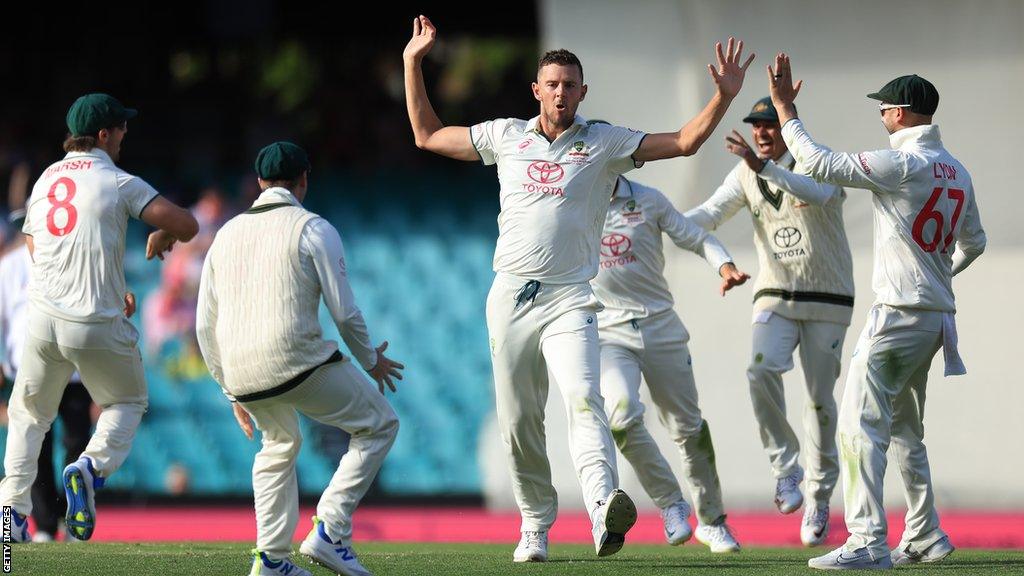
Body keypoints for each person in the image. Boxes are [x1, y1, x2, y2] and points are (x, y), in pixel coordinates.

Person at [403, 14, 754, 562]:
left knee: (586, 400)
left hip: (573, 298)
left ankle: (600, 513)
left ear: (583, 92)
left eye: (571, 85)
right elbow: (427, 135)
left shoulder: (606, 142)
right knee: (519, 420)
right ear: (536, 90)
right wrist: (412, 62)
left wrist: (723, 97)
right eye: (553, 83)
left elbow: (684, 142)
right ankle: (534, 528)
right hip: (512, 296)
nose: (561, 92)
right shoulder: (504, 136)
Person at [766, 54, 986, 569]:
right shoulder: (957, 170)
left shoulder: (903, 162)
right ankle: (925, 533)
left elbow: (819, 163)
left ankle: (866, 539)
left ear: (903, 114)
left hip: (898, 315)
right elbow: (974, 242)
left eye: (885, 108)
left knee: (857, 425)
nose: (881, 116)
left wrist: (784, 109)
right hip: (934, 319)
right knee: (906, 428)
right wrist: (938, 277)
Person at [196, 142, 404, 576]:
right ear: (304, 180)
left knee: (278, 445)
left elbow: (203, 326)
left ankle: (271, 559)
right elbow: (344, 312)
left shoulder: (223, 236)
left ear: (258, 183)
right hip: (296, 359)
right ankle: (330, 530)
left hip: (240, 370)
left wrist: (228, 388)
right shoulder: (312, 228)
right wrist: (371, 361)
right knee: (379, 424)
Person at [0, 94, 198, 543]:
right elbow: (187, 225)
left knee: (28, 415)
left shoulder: (46, 179)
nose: (126, 135)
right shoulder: (117, 180)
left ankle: (10, 515)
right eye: (121, 128)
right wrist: (163, 233)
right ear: (104, 135)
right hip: (95, 319)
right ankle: (90, 468)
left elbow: (35, 248)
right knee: (127, 403)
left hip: (43, 320)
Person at [685, 96, 854, 546]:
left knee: (819, 401)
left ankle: (819, 496)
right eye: (756, 125)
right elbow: (707, 215)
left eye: (769, 124)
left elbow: (816, 193)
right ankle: (786, 468)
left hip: (828, 298)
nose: (761, 132)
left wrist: (764, 170)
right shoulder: (745, 172)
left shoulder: (815, 161)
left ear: (784, 127)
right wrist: (656, 220)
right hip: (774, 294)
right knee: (759, 370)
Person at [591, 170, 749, 553]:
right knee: (621, 419)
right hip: (609, 332)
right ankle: (671, 504)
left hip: (660, 325)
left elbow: (695, 236)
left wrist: (724, 265)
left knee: (688, 427)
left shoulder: (649, 199)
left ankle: (712, 521)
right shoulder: (574, 201)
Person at [0, 208, 96, 542]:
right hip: (28, 371)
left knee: (77, 446)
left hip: (73, 373)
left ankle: (71, 522)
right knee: (37, 447)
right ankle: (43, 524)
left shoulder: (73, 264)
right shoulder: (9, 268)